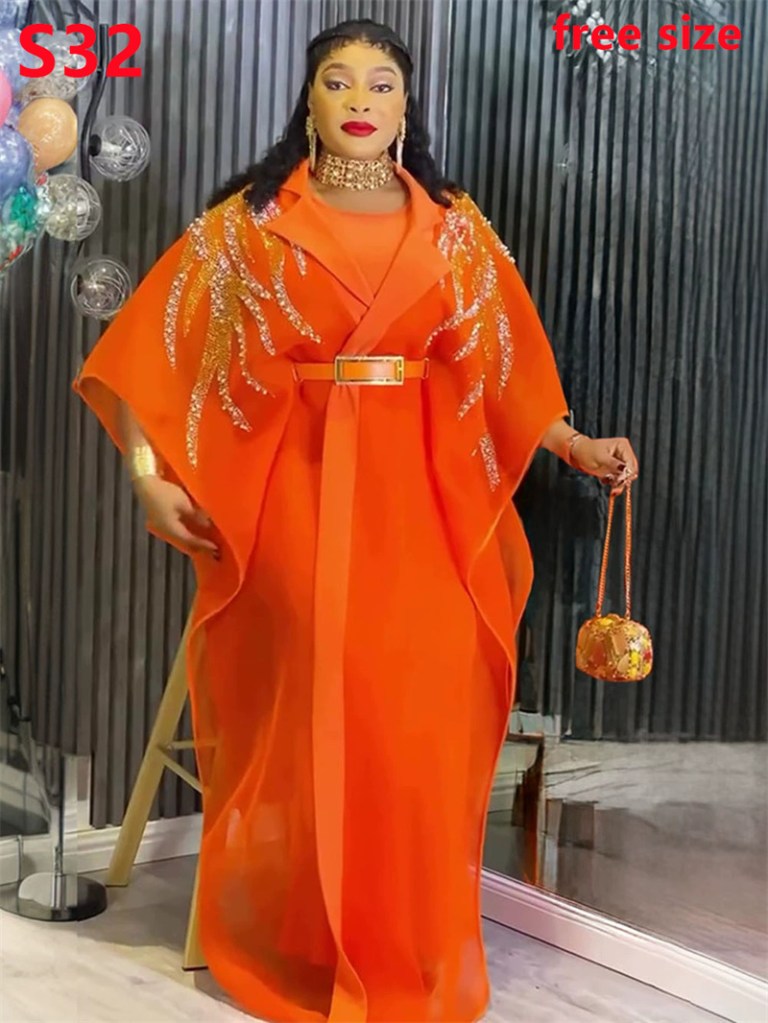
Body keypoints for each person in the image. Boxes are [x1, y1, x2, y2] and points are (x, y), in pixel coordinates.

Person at [73, 17, 638, 1023]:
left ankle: (402, 934)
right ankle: (310, 932)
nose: (362, 99)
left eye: (382, 82)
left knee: (419, 699)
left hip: (419, 495)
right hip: (293, 491)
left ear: (407, 104)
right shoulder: (251, 222)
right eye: (340, 81)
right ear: (311, 100)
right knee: (324, 691)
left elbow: (498, 361)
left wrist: (574, 444)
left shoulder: (453, 224)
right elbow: (151, 347)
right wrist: (148, 474)